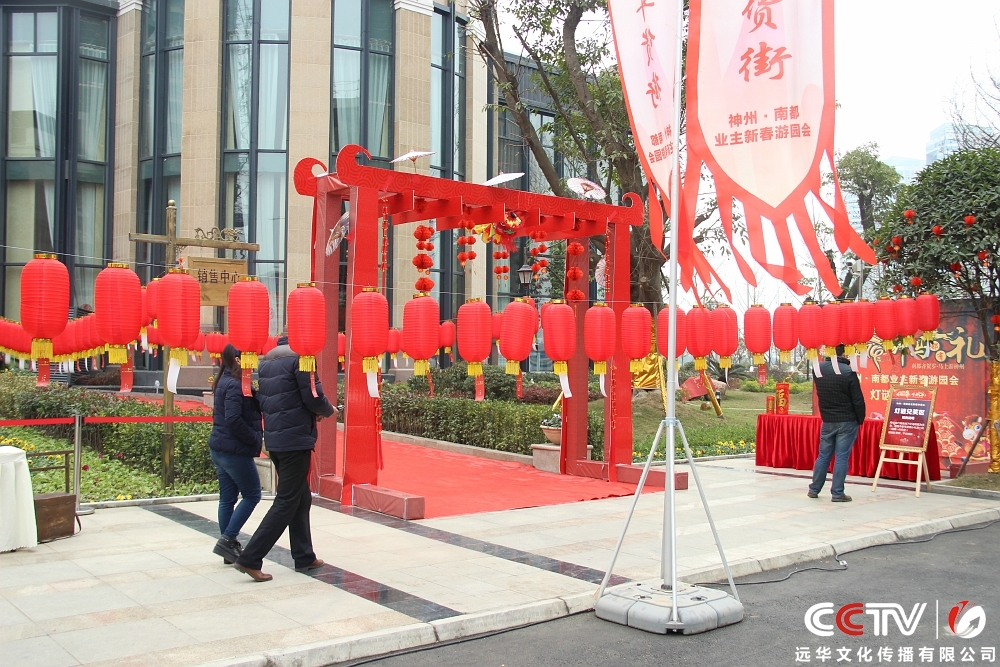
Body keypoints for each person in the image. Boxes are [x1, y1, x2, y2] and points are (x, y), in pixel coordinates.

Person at [234, 335, 336, 582]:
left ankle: (304, 555)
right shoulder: (302, 358)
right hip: (295, 439)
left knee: (301, 497)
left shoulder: (267, 360)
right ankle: (250, 558)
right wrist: (327, 410)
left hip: (276, 438)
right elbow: (312, 396)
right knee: (287, 501)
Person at [208, 344, 263, 563]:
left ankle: (227, 551)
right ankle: (228, 539)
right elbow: (233, 419)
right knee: (252, 494)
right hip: (234, 451)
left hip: (220, 448)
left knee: (227, 499)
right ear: (238, 359)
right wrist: (253, 438)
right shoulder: (234, 384)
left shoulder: (224, 381)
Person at [808, 344, 867, 502]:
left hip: (828, 420)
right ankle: (837, 492)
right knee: (841, 457)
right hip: (847, 420)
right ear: (844, 353)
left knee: (823, 455)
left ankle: (814, 489)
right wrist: (860, 418)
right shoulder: (848, 372)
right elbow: (858, 400)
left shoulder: (818, 369)